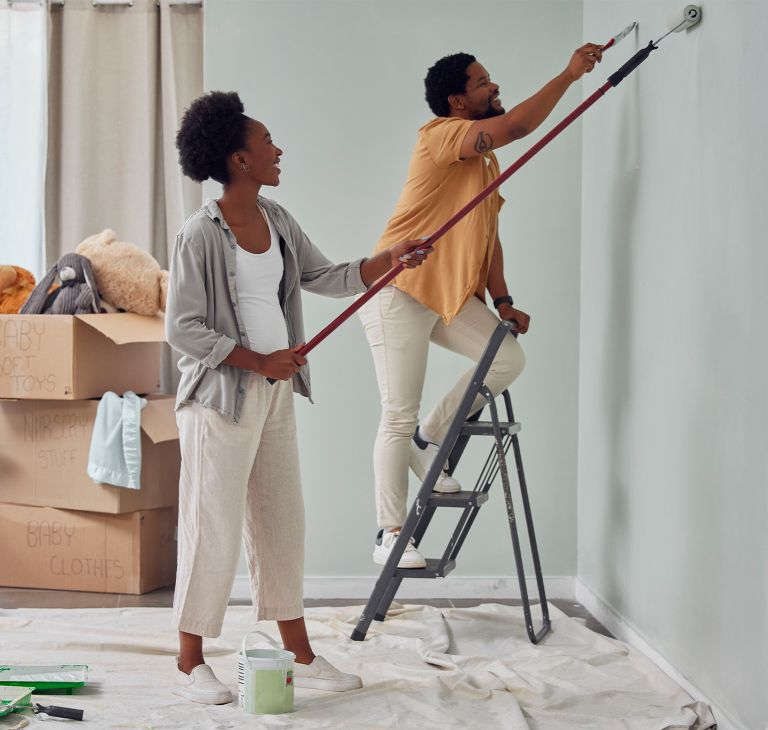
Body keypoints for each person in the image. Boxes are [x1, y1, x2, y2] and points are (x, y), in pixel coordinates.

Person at [166, 90, 432, 704]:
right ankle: (189, 662)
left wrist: (386, 261)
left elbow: (322, 276)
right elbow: (183, 327)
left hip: (276, 395)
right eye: (266, 142)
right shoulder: (198, 236)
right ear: (238, 159)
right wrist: (257, 359)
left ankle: (298, 651)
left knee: (283, 522)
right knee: (213, 530)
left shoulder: (278, 220)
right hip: (219, 403)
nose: (277, 149)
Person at [359, 46, 603, 568]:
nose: (494, 87)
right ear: (457, 101)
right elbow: (517, 127)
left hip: (447, 296)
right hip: (400, 291)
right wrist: (569, 74)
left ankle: (431, 440)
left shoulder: (483, 161)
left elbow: (488, 235)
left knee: (507, 359)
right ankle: (389, 534)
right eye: (483, 82)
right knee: (396, 412)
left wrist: (504, 300)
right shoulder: (440, 135)